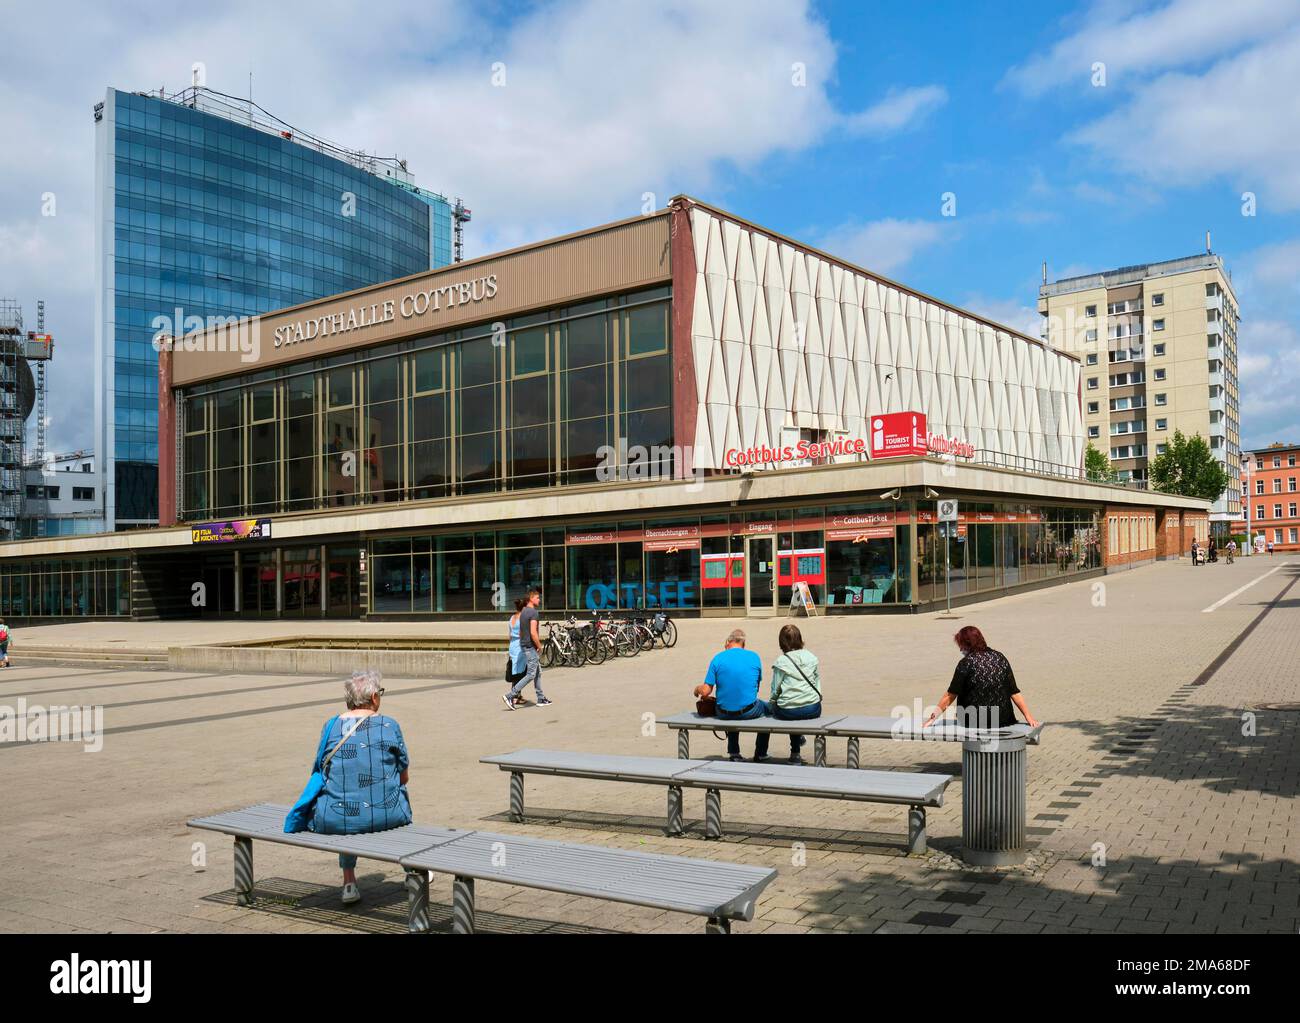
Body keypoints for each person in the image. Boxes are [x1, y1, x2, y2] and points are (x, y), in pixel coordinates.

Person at [308, 670, 411, 905]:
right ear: (374, 697)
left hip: (336, 817)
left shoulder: (331, 726)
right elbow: (403, 777)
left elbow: (320, 770)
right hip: (388, 814)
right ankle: (410, 871)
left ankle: (349, 883)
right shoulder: (389, 724)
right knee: (396, 793)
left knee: (345, 798)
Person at [923, 626, 1040, 732]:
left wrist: (932, 718)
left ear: (967, 644)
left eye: (961, 645)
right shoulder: (1000, 657)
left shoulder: (966, 663)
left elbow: (950, 695)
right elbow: (1014, 691)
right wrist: (1028, 717)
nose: (960, 649)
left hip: (973, 720)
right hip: (1002, 719)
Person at [698, 628, 770, 762]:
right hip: (749, 711)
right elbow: (756, 688)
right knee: (766, 708)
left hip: (723, 712)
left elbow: (706, 691)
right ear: (743, 644)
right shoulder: (754, 657)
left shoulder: (718, 658)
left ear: (727, 642)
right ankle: (760, 752)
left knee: (729, 704)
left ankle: (734, 752)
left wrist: (697, 689)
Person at [769, 624, 821, 764]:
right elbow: (817, 682)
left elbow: (775, 690)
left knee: (788, 707)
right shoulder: (811, 657)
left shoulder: (781, 661)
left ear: (782, 642)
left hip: (789, 711)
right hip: (813, 708)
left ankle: (795, 753)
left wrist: (772, 703)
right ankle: (796, 748)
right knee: (796, 706)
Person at [503, 588, 552, 709]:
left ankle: (541, 698)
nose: (539, 600)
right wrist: (539, 646)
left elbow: (520, 632)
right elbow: (533, 632)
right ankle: (511, 695)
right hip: (531, 647)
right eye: (537, 598)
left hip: (524, 646)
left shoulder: (523, 612)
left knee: (537, 673)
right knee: (531, 674)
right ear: (531, 598)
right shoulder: (533, 613)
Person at [505, 597, 528, 706]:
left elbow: (509, 635)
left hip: (512, 646)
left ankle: (517, 695)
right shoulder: (522, 619)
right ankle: (514, 696)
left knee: (515, 671)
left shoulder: (512, 618)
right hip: (520, 647)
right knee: (522, 672)